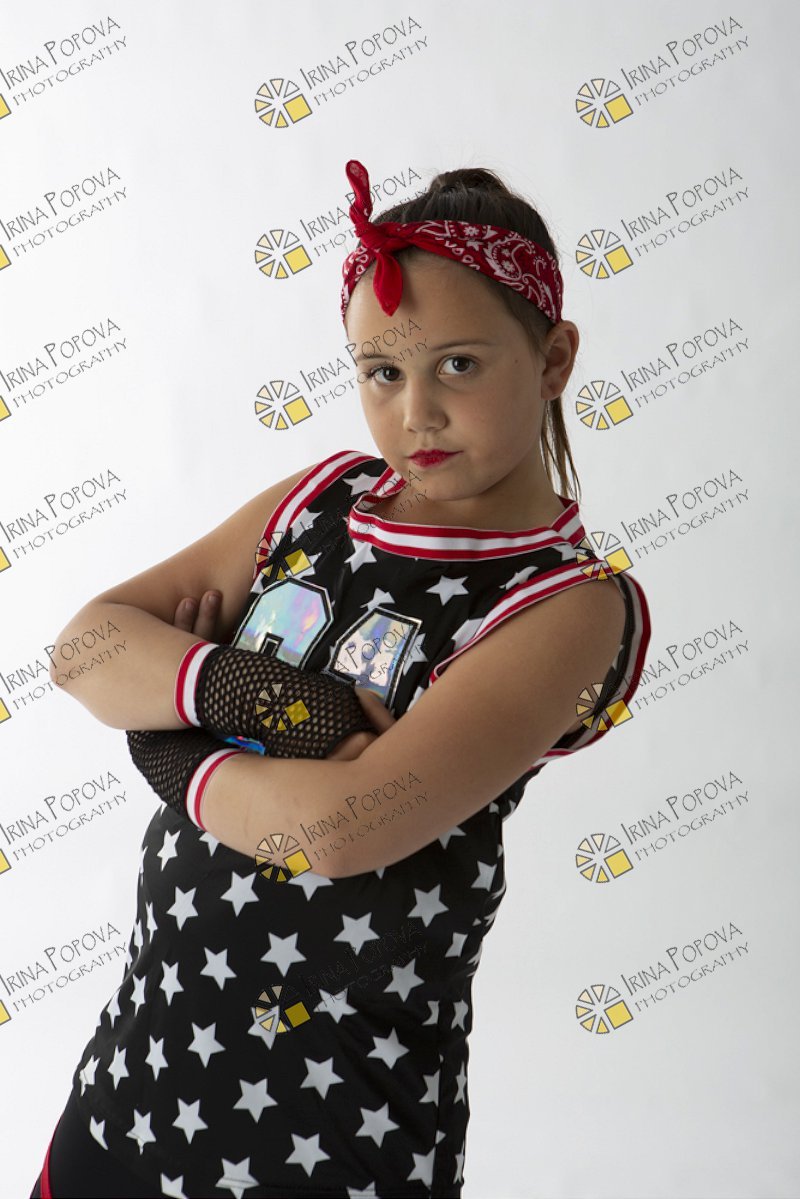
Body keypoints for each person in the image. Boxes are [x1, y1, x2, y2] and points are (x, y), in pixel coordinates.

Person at [29, 158, 651, 1199]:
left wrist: (166, 726)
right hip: (134, 1090)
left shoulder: (568, 605)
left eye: (458, 365)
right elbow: (84, 651)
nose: (417, 414)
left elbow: (339, 829)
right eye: (381, 372)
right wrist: (272, 708)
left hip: (332, 1129)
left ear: (552, 358)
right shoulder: (318, 499)